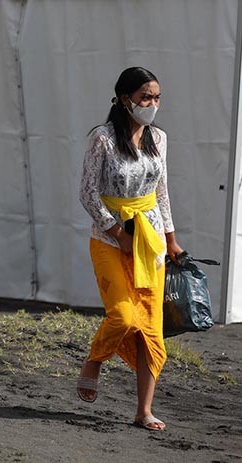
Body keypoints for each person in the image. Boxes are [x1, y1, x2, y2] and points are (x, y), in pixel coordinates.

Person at [77, 66, 183, 431]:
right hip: (110, 238)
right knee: (122, 315)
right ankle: (95, 359)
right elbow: (88, 193)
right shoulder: (103, 139)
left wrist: (170, 238)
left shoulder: (159, 139)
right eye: (145, 98)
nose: (152, 104)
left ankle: (144, 410)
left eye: (156, 98)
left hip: (149, 240)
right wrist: (116, 232)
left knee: (151, 330)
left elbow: (162, 191)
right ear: (125, 99)